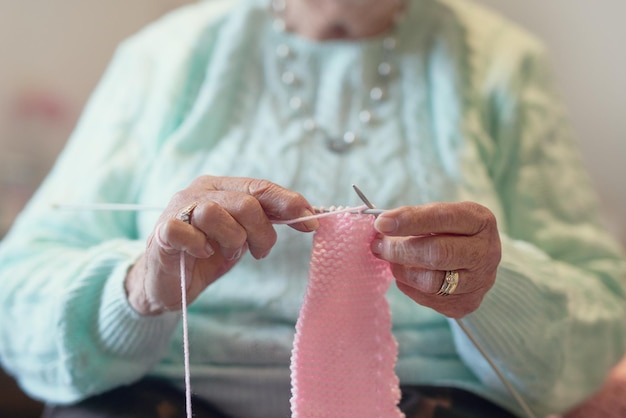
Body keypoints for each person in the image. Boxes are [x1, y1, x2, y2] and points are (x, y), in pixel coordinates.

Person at [0, 0, 624, 417]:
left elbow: (601, 317)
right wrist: (141, 286)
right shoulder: (165, 57)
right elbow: (14, 300)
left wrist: (488, 285)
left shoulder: (503, 64)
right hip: (165, 396)